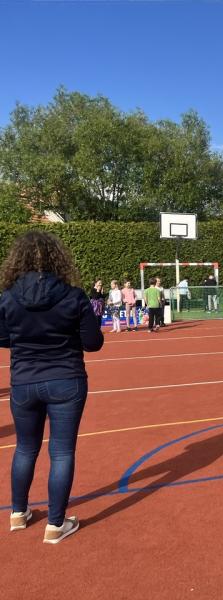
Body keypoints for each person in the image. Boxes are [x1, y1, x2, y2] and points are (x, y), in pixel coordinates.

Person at [0, 230, 104, 543]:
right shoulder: (73, 296)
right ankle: (56, 524)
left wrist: (27, 339)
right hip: (66, 379)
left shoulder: (7, 297)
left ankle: (18, 513)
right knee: (61, 451)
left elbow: (2, 337)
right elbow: (93, 342)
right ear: (58, 258)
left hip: (24, 380)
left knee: (25, 447)